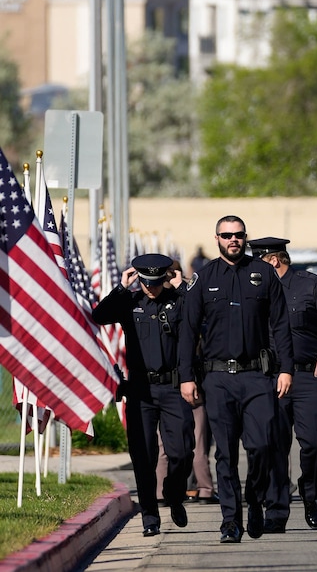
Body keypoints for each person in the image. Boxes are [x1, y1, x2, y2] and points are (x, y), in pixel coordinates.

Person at [178, 216, 294, 545]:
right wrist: (187, 377)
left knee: (262, 446)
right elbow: (188, 331)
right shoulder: (203, 279)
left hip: (257, 376)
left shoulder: (264, 274)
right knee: (225, 454)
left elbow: (281, 324)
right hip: (217, 378)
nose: (234, 240)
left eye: (239, 235)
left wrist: (286, 369)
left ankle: (255, 500)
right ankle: (230, 521)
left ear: (246, 238)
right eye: (227, 235)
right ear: (216, 238)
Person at [92, 253, 195, 538]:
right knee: (143, 457)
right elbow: (99, 316)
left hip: (173, 388)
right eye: (145, 281)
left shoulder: (178, 301)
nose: (151, 287)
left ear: (165, 277)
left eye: (156, 281)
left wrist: (182, 286)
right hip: (140, 389)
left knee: (182, 451)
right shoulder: (131, 301)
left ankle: (174, 494)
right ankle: (150, 517)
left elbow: (202, 314)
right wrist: (122, 288)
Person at [249, 236, 317, 533]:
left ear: (273, 261)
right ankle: (276, 512)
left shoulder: (310, 285)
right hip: (270, 376)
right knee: (274, 446)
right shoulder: (254, 290)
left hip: (310, 375)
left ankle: (310, 493)